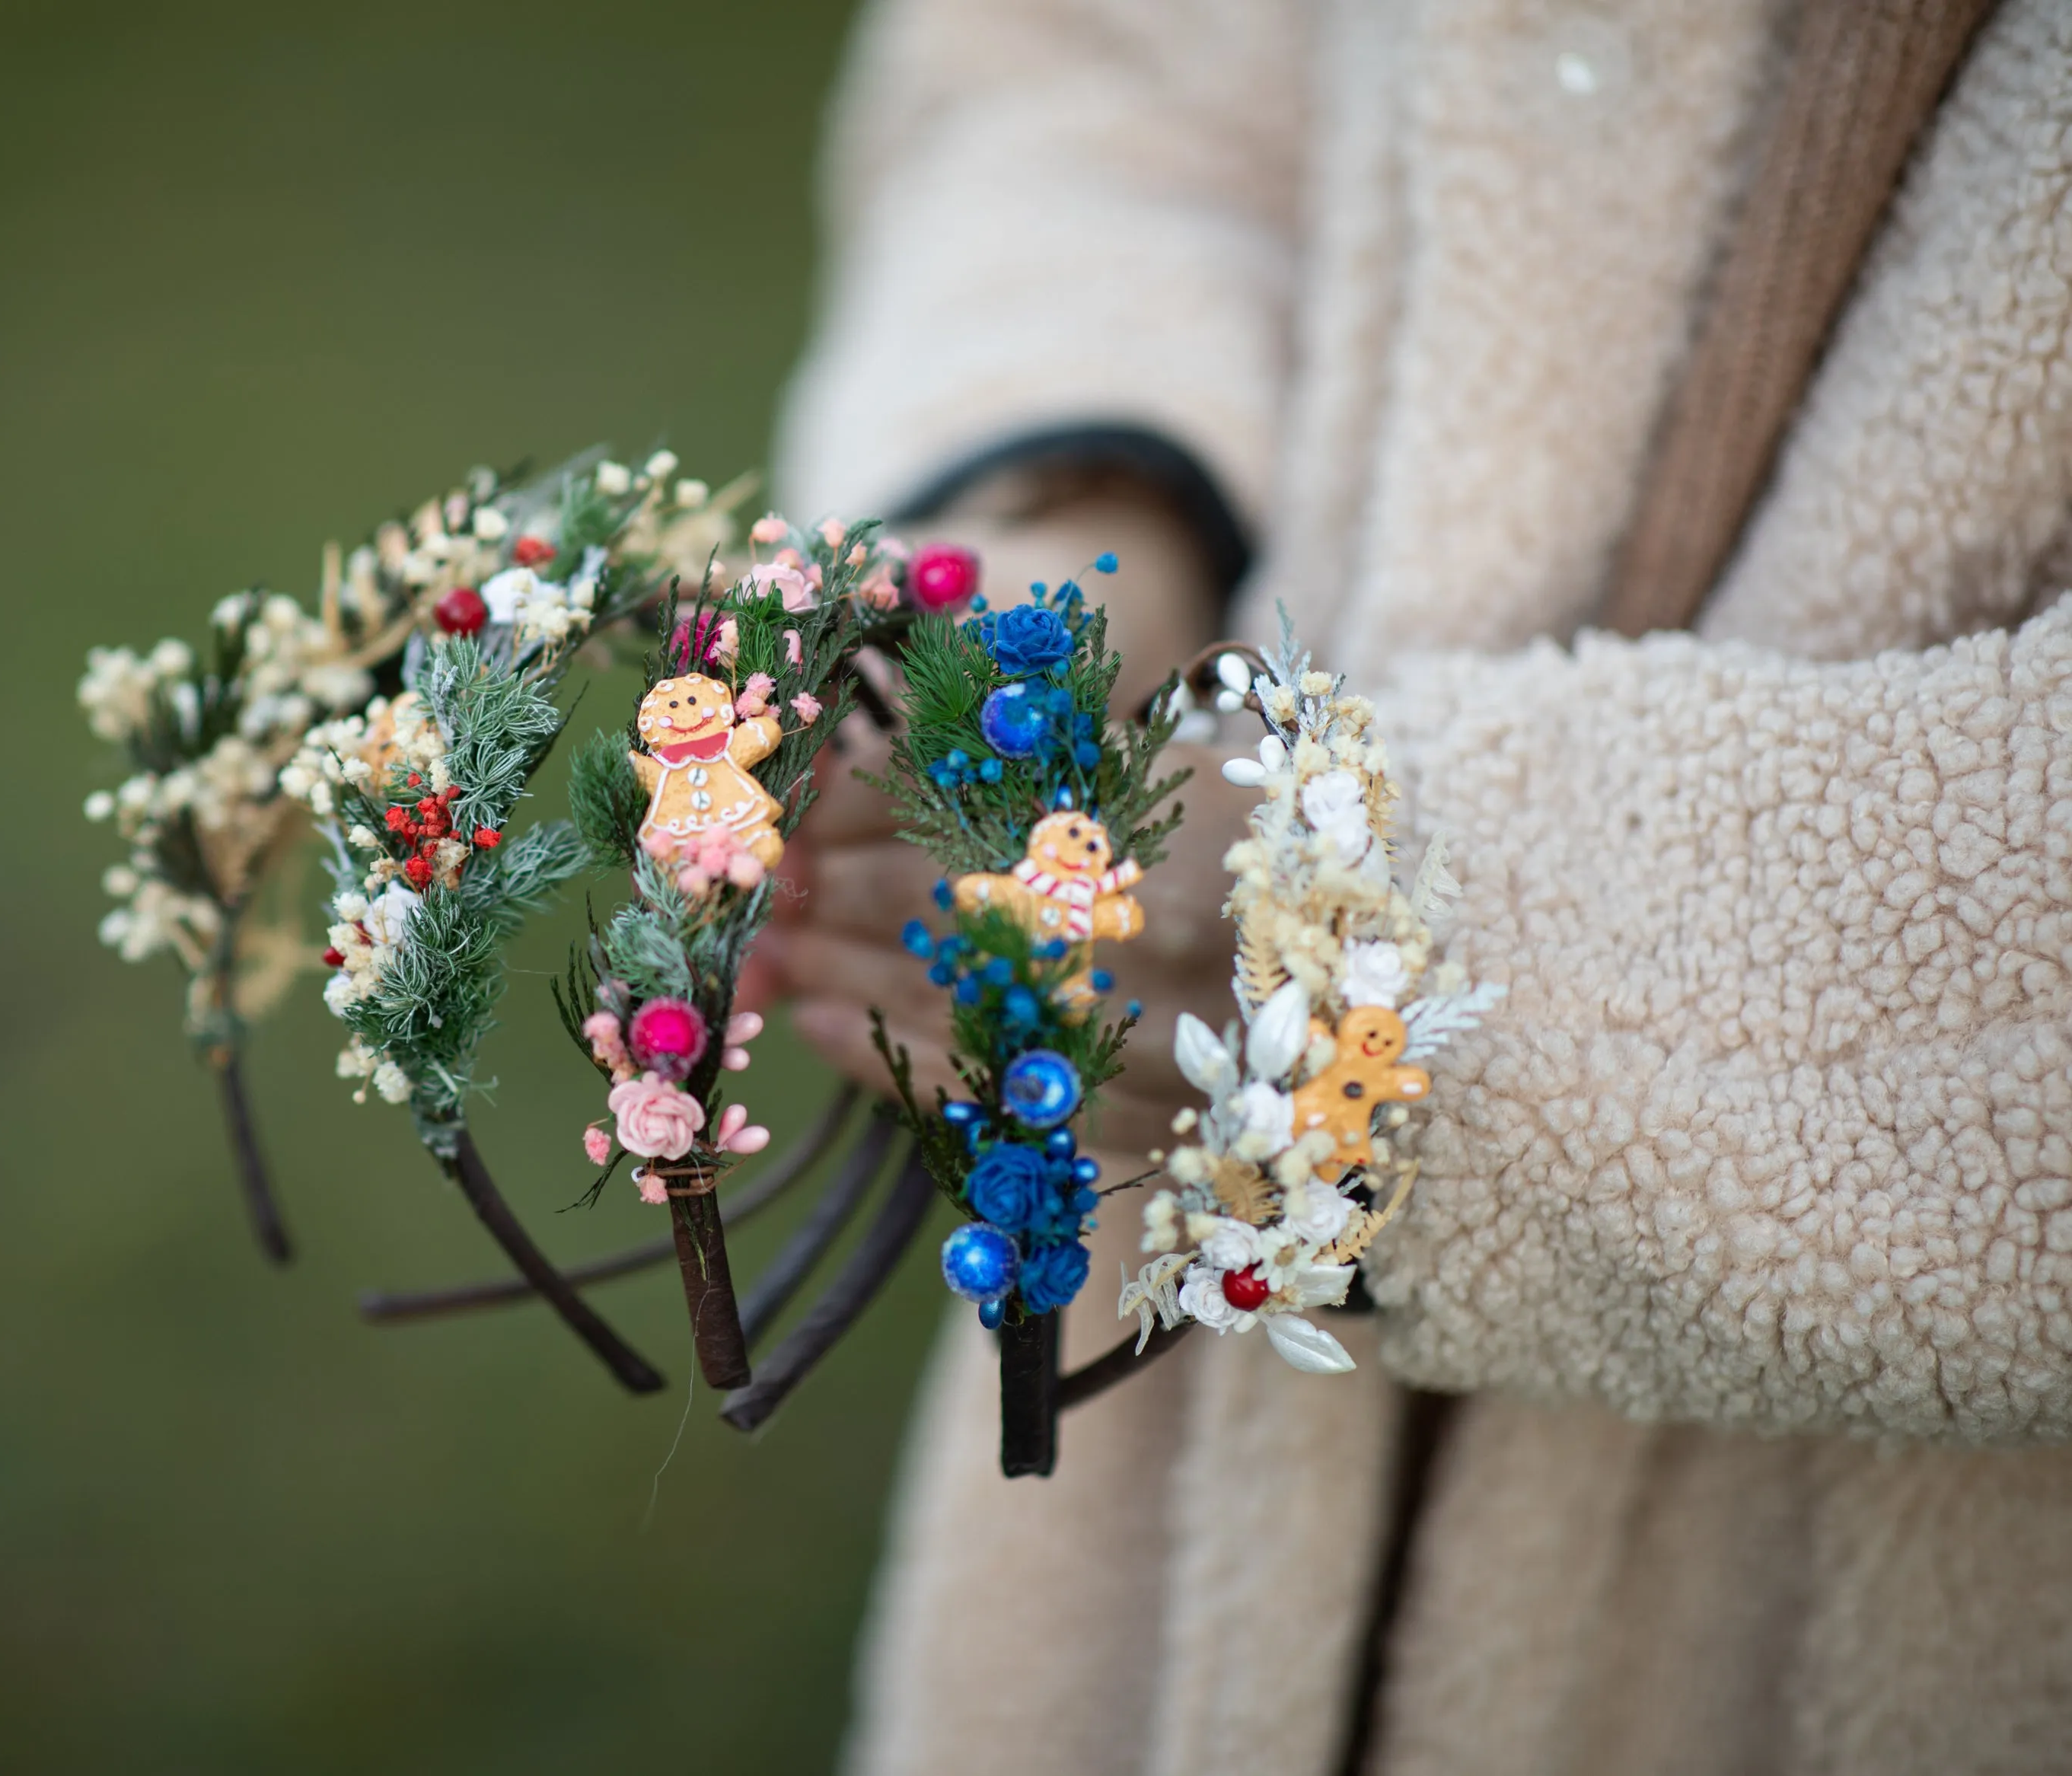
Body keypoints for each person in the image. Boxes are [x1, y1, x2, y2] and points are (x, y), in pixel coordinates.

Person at [753, 2, 2072, 1771]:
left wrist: (1375, 919)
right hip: (1174, 1539)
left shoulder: (1258, 934)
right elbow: (1092, 67)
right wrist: (1086, 531)